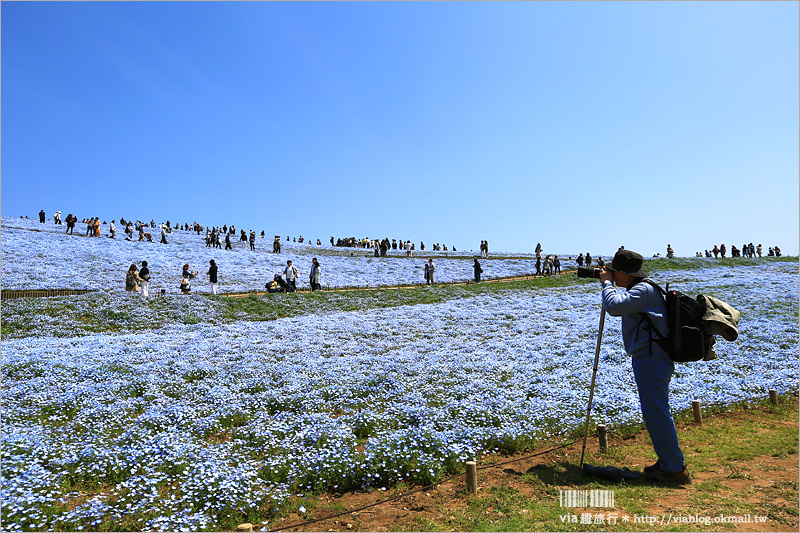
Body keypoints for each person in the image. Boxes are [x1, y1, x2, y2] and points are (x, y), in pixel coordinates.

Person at [599, 249, 690, 484]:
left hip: (652, 358)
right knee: (655, 412)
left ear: (626, 274)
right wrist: (609, 282)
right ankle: (668, 461)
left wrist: (606, 284)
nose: (612, 275)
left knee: (656, 413)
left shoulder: (643, 289)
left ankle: (674, 468)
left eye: (615, 272)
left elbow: (614, 307)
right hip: (650, 357)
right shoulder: (642, 288)